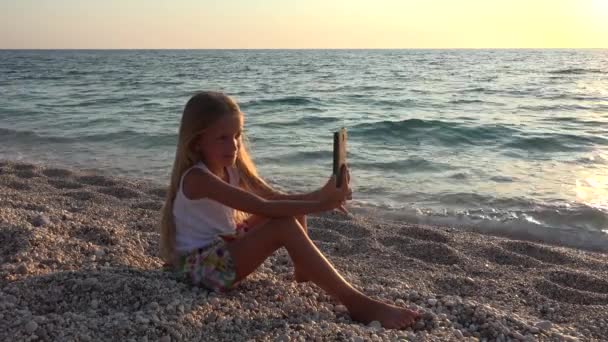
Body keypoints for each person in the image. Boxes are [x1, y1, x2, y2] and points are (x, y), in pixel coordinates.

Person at [159, 91, 419, 329]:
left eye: (237, 136)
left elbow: (274, 198)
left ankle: (303, 271)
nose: (234, 145)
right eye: (223, 138)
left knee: (288, 211)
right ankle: (356, 302)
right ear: (196, 143)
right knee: (281, 223)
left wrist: (322, 195)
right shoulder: (197, 178)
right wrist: (322, 205)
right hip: (201, 269)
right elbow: (262, 206)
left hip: (224, 245)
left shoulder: (231, 168)